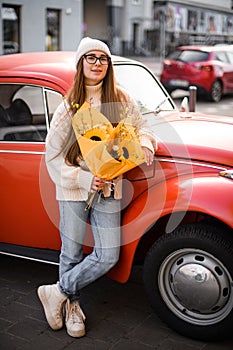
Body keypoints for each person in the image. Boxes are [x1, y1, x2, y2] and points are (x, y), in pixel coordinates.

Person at [37, 37, 157, 338]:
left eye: (102, 58)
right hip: (75, 190)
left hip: (110, 188)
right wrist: (82, 178)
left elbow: (142, 130)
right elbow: (51, 156)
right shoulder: (69, 107)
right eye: (90, 58)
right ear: (81, 64)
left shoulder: (122, 99)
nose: (97, 63)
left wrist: (143, 146)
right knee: (72, 252)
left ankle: (57, 291)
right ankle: (72, 305)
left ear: (109, 64)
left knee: (107, 255)